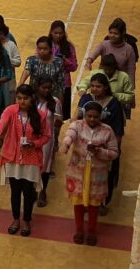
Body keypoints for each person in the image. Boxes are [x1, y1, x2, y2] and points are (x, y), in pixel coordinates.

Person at [0, 84, 51, 237]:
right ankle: (16, 219)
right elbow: (1, 124)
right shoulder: (10, 111)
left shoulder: (41, 115)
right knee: (15, 191)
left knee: (28, 192)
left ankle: (27, 220)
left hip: (31, 158)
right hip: (13, 157)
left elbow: (46, 136)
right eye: (19, 98)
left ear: (32, 98)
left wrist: (35, 144)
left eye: (25, 98)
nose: (22, 101)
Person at [60, 102, 119, 246]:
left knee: (94, 205)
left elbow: (114, 153)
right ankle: (79, 230)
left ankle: (92, 230)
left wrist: (99, 152)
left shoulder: (107, 130)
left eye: (96, 117)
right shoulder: (77, 125)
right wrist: (66, 144)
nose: (92, 119)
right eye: (89, 116)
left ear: (101, 116)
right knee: (78, 203)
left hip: (97, 174)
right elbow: (70, 134)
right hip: (77, 172)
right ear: (84, 115)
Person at [75, 73, 125, 214]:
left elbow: (118, 129)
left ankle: (102, 203)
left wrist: (114, 149)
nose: (95, 89)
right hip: (85, 147)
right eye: (93, 86)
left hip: (104, 147)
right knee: (84, 174)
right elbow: (77, 118)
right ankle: (85, 200)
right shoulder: (85, 99)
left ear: (106, 87)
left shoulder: (114, 103)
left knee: (104, 176)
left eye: (99, 86)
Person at [34, 76, 62, 208]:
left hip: (47, 140)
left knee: (45, 166)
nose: (46, 90)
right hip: (32, 137)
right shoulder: (31, 100)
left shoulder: (55, 102)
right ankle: (33, 188)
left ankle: (43, 191)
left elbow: (58, 122)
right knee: (32, 164)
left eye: (49, 88)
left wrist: (57, 124)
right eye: (43, 87)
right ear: (37, 87)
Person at [49, 20, 78, 122]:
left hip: (64, 84)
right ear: (51, 32)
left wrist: (66, 61)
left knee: (61, 115)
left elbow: (74, 67)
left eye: (60, 33)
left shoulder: (69, 47)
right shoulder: (45, 44)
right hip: (48, 83)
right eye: (55, 33)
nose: (58, 35)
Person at [19, 36, 65, 101]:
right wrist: (20, 84)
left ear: (50, 49)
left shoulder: (58, 62)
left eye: (45, 49)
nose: (42, 51)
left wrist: (60, 103)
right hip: (35, 96)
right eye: (39, 48)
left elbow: (61, 84)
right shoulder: (32, 60)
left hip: (52, 96)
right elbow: (26, 71)